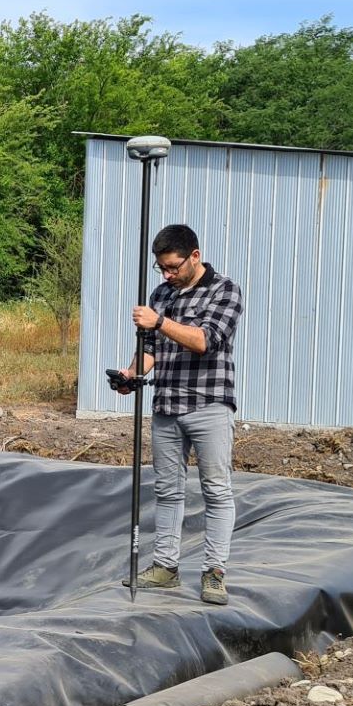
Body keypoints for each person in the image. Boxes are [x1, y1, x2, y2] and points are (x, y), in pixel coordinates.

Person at [111, 223, 244, 605]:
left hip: (209, 405)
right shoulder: (162, 294)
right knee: (168, 490)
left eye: (173, 267)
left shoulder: (225, 290)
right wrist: (130, 375)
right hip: (167, 405)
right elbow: (150, 349)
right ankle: (166, 567)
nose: (167, 275)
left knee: (216, 490)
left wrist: (160, 322)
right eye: (162, 269)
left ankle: (214, 572)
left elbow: (205, 340)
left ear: (195, 256)